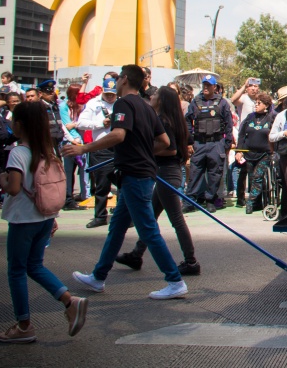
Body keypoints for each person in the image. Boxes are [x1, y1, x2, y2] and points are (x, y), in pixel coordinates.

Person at [65, 64, 188, 301]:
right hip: (138, 173)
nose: (117, 81)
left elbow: (119, 134)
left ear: (123, 79)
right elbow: (163, 141)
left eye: (118, 77)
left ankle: (174, 280)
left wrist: (85, 147)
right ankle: (98, 277)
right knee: (118, 227)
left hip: (134, 175)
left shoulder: (124, 104)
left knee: (148, 230)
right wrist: (143, 152)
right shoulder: (146, 106)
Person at [0, 101, 88, 343]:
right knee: (34, 266)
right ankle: (70, 301)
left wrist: (2, 179)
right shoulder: (49, 152)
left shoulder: (18, 153)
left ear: (19, 125)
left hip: (23, 219)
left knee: (16, 270)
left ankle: (24, 325)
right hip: (45, 217)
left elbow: (14, 188)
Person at [114, 86, 199, 276]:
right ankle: (137, 254)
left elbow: (172, 149)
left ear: (162, 101)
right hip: (166, 172)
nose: (152, 97)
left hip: (166, 172)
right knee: (150, 217)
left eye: (156, 95)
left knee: (175, 219)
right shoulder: (173, 120)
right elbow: (188, 141)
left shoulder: (164, 121)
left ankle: (191, 261)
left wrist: (143, 151)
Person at [184, 75, 234, 212]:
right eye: (204, 85)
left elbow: (229, 124)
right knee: (195, 173)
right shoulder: (195, 102)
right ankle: (190, 202)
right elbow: (187, 120)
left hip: (216, 143)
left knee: (214, 174)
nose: (206, 87)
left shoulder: (222, 103)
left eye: (208, 85)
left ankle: (210, 200)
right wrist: (189, 141)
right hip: (199, 143)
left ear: (214, 87)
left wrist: (227, 144)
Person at [76, 75, 118, 228]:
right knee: (102, 185)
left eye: (113, 94)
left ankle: (123, 215)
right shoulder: (93, 103)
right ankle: (100, 216)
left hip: (119, 147)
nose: (110, 97)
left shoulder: (120, 103)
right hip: (101, 148)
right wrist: (101, 123)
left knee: (123, 183)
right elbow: (81, 123)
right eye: (107, 94)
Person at [238, 93, 276, 213]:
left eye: (259, 103)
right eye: (256, 102)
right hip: (249, 153)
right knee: (252, 178)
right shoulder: (250, 117)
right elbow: (242, 134)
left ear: (266, 105)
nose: (256, 104)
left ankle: (250, 202)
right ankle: (258, 203)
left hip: (265, 154)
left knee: (257, 177)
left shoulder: (271, 117)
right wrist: (239, 151)